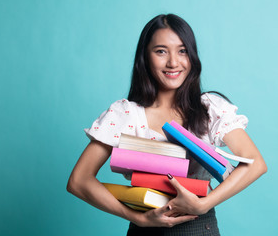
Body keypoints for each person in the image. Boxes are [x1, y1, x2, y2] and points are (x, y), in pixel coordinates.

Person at [67, 14, 267, 235]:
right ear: (145, 57)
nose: (173, 62)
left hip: (200, 228)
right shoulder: (126, 114)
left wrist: (204, 203)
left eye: (182, 51)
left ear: (192, 56)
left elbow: (255, 163)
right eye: (161, 51)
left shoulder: (209, 108)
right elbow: (79, 180)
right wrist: (138, 218)